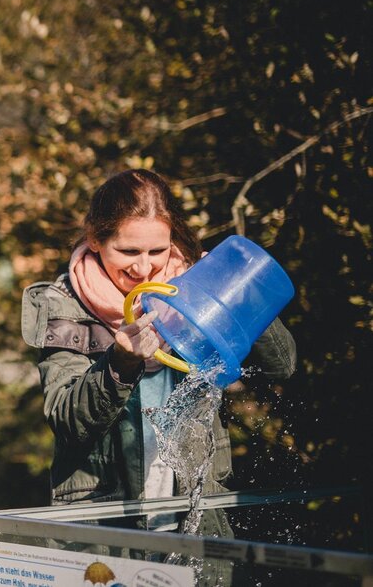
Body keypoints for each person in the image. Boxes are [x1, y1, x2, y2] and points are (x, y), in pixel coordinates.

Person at [20, 169, 297, 538]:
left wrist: (240, 296)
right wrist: (119, 364)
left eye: (157, 250)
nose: (144, 267)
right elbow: (68, 422)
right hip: (106, 527)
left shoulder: (195, 288)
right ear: (95, 239)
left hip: (196, 519)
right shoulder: (65, 304)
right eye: (128, 251)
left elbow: (283, 367)